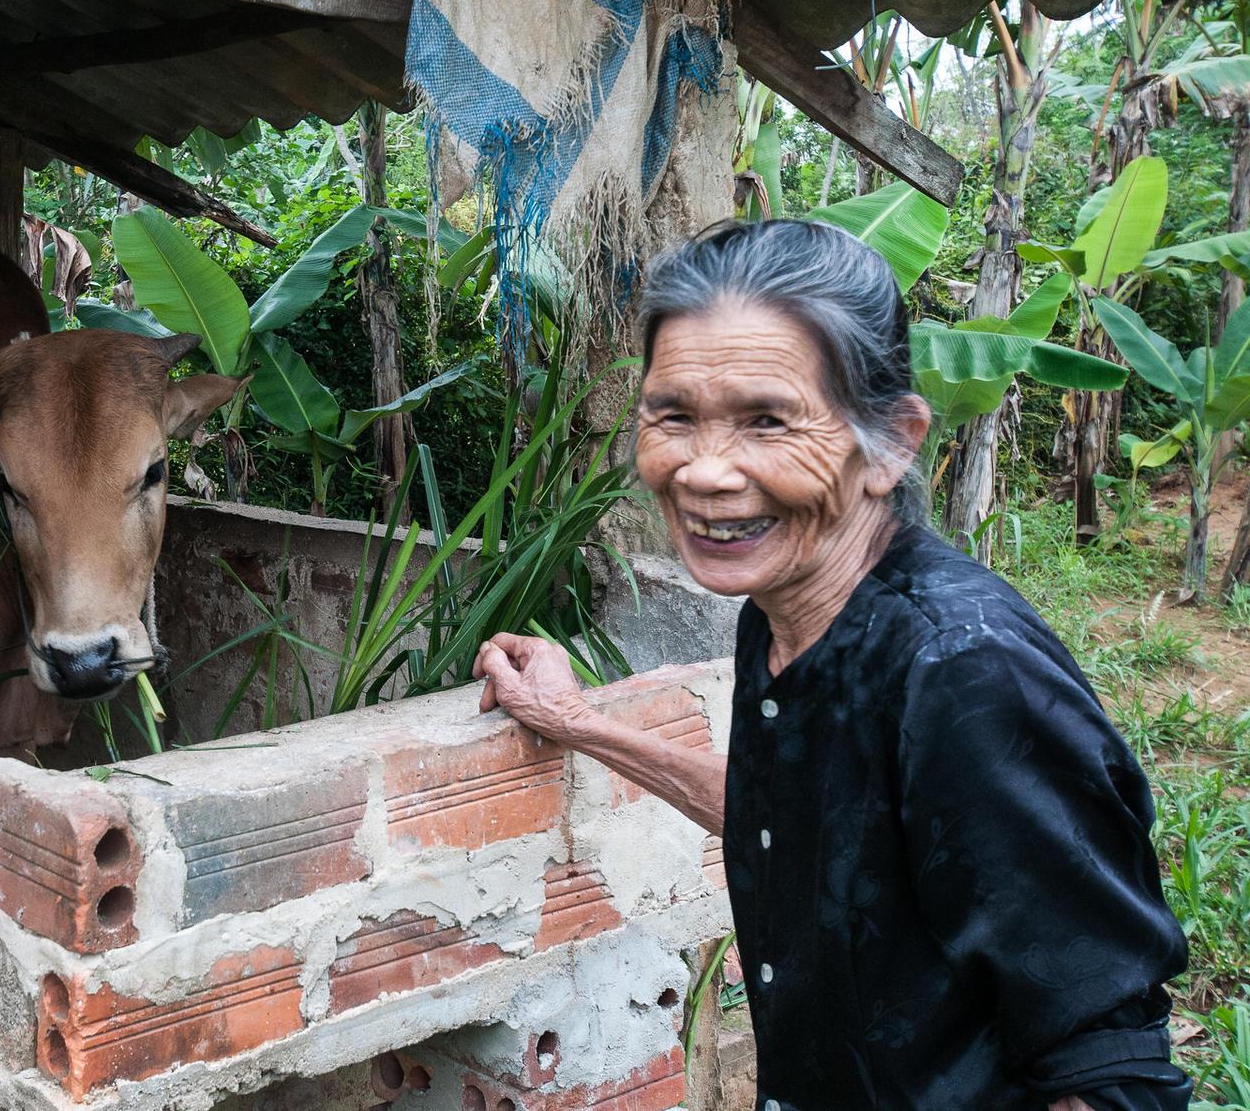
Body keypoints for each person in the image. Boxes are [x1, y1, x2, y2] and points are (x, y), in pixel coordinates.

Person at [475, 220, 1190, 1111]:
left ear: (889, 441)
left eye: (767, 420)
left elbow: (1108, 1059)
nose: (704, 471)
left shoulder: (962, 671)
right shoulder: (779, 613)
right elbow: (797, 818)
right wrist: (577, 724)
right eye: (674, 416)